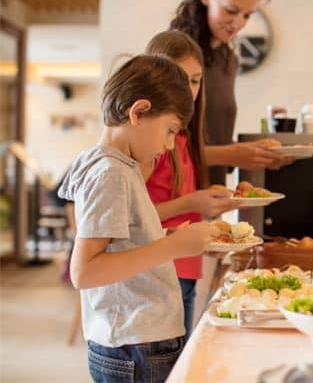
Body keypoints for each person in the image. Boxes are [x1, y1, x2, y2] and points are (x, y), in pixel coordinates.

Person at [58, 54, 219, 383]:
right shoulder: (111, 173)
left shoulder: (115, 166)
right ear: (139, 112)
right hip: (135, 345)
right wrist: (170, 248)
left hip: (136, 341)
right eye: (170, 130)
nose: (170, 145)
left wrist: (167, 235)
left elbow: (119, 241)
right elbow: (85, 271)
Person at [143, 30, 239, 343]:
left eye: (195, 80)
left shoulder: (183, 137)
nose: (188, 90)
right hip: (154, 276)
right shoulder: (152, 141)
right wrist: (193, 204)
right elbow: (133, 219)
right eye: (178, 79)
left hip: (183, 271)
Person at [171, 0, 293, 186]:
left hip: (212, 195)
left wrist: (256, 154)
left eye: (247, 15)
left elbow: (216, 143)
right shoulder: (178, 55)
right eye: (231, 10)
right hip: (179, 196)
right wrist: (232, 154)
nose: (238, 23)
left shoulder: (227, 59)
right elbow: (165, 151)